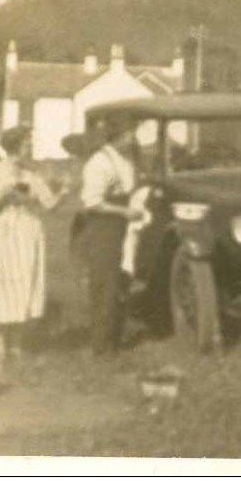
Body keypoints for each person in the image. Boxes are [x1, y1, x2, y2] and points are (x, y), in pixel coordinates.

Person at [0, 125, 67, 364]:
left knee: (23, 282)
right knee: (0, 284)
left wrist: (64, 191)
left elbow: (49, 205)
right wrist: (4, 194)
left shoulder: (30, 176)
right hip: (3, 231)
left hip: (27, 232)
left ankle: (16, 343)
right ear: (15, 144)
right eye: (27, 142)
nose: (30, 146)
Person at [78, 115, 143, 355]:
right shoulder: (99, 163)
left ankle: (114, 339)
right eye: (129, 135)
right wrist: (124, 212)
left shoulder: (125, 159)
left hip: (124, 223)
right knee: (105, 283)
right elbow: (92, 203)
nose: (132, 139)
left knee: (121, 281)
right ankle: (100, 344)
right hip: (104, 226)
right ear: (118, 137)